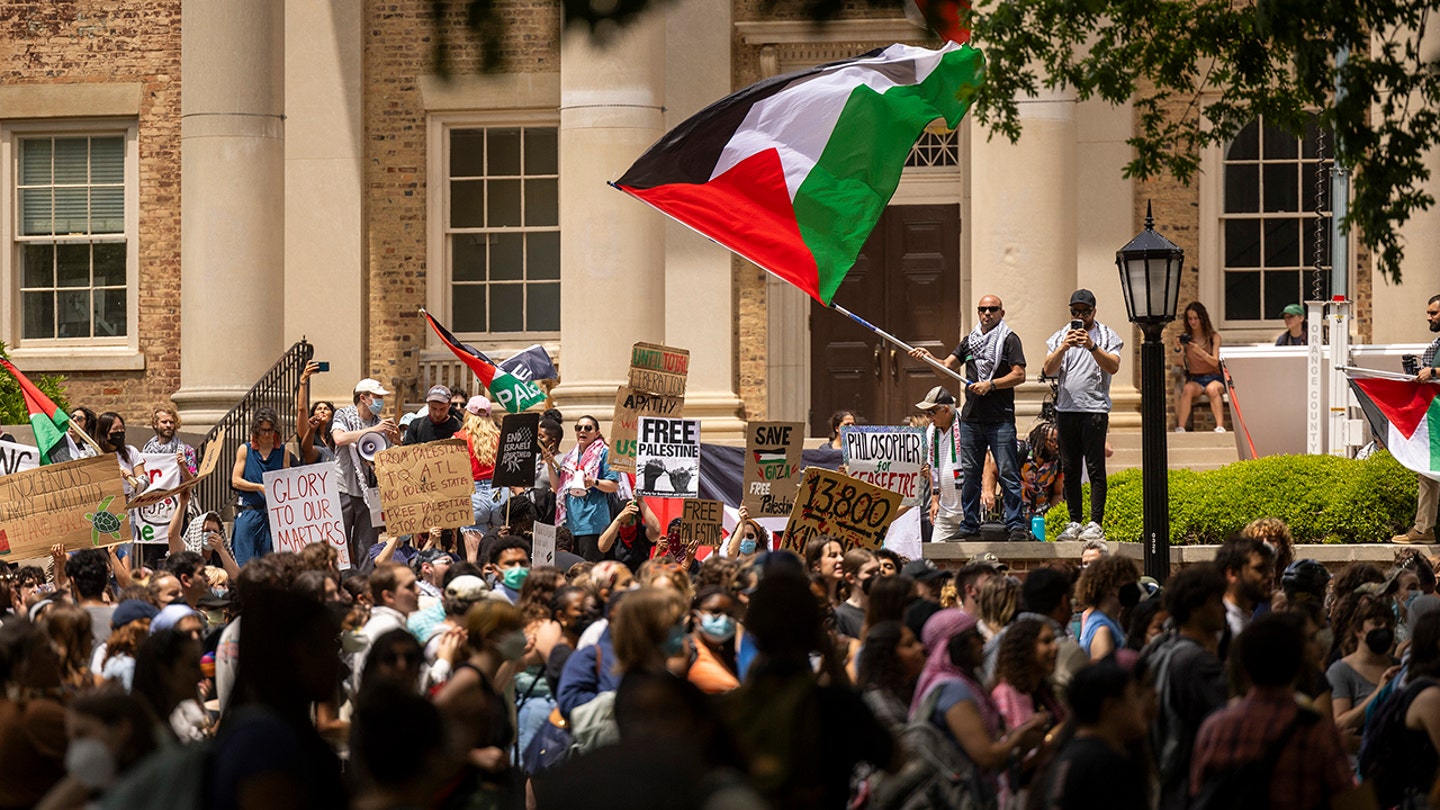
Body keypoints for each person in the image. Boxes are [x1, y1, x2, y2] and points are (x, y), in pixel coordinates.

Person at [1189, 613, 1361, 810]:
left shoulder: (1214, 728)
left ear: (1243, 666)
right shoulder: (1318, 733)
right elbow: (1349, 800)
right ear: (1299, 665)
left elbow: (1198, 791)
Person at [912, 294, 1029, 542]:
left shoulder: (1009, 340)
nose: (987, 313)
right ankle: (970, 525)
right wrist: (928, 358)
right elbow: (945, 369)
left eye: (992, 309)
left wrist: (992, 385)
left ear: (1001, 312)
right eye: (982, 309)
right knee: (971, 474)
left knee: (1007, 472)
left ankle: (1016, 525)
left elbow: (1019, 375)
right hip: (972, 419)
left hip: (1000, 419)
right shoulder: (969, 341)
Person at [915, 608, 1049, 805]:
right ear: (956, 645)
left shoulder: (963, 681)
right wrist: (1020, 737)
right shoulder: (952, 688)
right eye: (975, 636)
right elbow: (986, 757)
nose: (983, 642)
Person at [1141, 562, 1229, 810]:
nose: (1222, 608)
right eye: (1216, 602)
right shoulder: (1197, 664)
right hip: (1193, 789)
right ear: (1195, 608)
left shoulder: (1162, 649)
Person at [1044, 289, 1123, 543]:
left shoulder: (1107, 335)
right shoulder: (1060, 336)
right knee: (1070, 468)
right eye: (1075, 311)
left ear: (1094, 312)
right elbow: (1048, 369)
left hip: (1095, 410)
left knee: (1096, 467)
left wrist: (1092, 346)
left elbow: (1113, 365)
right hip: (1067, 410)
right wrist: (1065, 346)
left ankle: (1095, 522)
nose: (1080, 316)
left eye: (1085, 312)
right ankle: (1075, 520)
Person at [1039, 659, 1151, 810]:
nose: (1142, 706)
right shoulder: (1108, 765)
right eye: (1135, 697)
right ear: (1110, 707)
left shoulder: (1065, 757)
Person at [331, 378, 399, 568]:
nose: (381, 402)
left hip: (371, 492)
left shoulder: (382, 424)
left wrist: (397, 441)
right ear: (363, 398)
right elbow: (339, 438)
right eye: (377, 397)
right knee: (338, 543)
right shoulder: (343, 415)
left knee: (367, 545)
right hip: (344, 487)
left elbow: (391, 457)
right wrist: (373, 431)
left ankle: (364, 587)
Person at [1396, 294, 1440, 544]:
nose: (1429, 317)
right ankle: (1424, 529)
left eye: (1433, 313)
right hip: (1435, 416)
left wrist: (1432, 371)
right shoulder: (1436, 344)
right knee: (1427, 471)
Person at [549, 415, 621, 562]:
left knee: (589, 569)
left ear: (597, 433)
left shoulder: (604, 453)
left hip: (593, 524)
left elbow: (613, 486)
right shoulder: (569, 458)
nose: (582, 431)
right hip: (571, 524)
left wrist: (593, 482)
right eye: (578, 428)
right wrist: (550, 465)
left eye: (588, 428)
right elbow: (558, 488)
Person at [1327, 593, 1398, 734]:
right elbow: (1341, 723)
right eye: (1377, 623)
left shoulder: (1397, 665)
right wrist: (1380, 692)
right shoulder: (1340, 671)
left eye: (1389, 625)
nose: (1384, 629)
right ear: (1358, 630)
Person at [229, 408, 290, 567]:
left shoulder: (283, 451)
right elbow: (235, 481)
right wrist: (259, 487)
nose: (267, 435)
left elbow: (287, 481)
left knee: (270, 564)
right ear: (256, 430)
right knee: (245, 563)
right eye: (263, 430)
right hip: (249, 511)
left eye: (270, 430)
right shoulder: (245, 449)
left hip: (273, 516)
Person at [856, 620, 925, 731]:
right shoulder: (882, 704)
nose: (920, 647)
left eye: (916, 641)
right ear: (888, 656)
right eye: (909, 644)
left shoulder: (910, 684)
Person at [916, 386, 965, 541]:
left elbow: (985, 459)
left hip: (969, 508)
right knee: (936, 553)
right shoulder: (932, 429)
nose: (929, 417)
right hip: (944, 509)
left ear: (945, 410)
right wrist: (934, 501)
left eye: (932, 412)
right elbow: (932, 467)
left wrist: (987, 491)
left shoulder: (966, 424)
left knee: (974, 559)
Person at [1174, 301, 1228, 432]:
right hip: (1196, 379)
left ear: (1202, 319)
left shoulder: (1213, 337)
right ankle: (1181, 427)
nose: (1193, 322)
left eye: (1196, 318)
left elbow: (1215, 362)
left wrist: (1201, 352)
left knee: (1212, 390)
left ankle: (1220, 426)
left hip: (1214, 377)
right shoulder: (1187, 339)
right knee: (1187, 389)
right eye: (1190, 319)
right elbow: (1178, 364)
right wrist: (1178, 349)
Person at [458, 395, 507, 530]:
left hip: (473, 496)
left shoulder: (458, 439)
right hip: (499, 494)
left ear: (468, 414)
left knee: (474, 551)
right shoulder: (502, 438)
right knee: (500, 549)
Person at [1076, 553, 1138, 660]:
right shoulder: (1102, 630)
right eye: (1127, 581)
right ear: (1109, 587)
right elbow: (1105, 674)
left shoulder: (1111, 621)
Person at [1217, 533, 1276, 643]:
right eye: (1260, 569)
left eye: (1270, 569)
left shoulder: (1246, 620)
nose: (1270, 576)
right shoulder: (1218, 627)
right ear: (1233, 573)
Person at [598, 496, 661, 573]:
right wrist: (619, 518)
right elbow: (603, 547)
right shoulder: (611, 530)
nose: (625, 526)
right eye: (622, 523)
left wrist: (641, 501)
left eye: (629, 523)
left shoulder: (642, 531)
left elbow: (656, 531)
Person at [95, 412, 147, 496]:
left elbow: (144, 481)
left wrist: (135, 481)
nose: (119, 431)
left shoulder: (131, 451)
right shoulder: (93, 454)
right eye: (115, 429)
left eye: (122, 428)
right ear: (104, 432)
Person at [294, 361, 336, 465]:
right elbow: (302, 409)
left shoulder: (336, 435)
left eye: (326, 409)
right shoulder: (307, 432)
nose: (322, 410)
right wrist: (303, 380)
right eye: (319, 408)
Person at [833, 548, 878, 639]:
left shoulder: (882, 611)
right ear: (851, 578)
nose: (877, 576)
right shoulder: (840, 616)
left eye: (878, 570)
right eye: (870, 572)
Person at [141, 405, 197, 477]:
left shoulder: (187, 451)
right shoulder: (147, 451)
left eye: (171, 422)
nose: (168, 425)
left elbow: (192, 482)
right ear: (155, 424)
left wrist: (183, 467)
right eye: (164, 422)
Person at [804, 536, 845, 607]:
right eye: (833, 555)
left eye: (842, 555)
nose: (841, 559)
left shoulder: (848, 599)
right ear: (817, 565)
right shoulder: (805, 600)